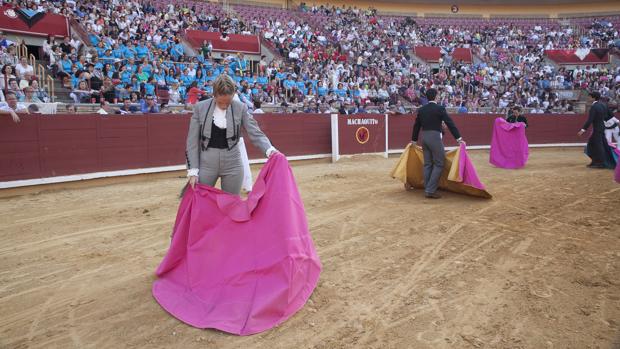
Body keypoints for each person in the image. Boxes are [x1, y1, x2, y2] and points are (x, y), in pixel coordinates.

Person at [186, 74, 279, 195]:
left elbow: (255, 132)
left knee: (232, 205)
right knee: (202, 206)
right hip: (207, 163)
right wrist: (193, 170)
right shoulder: (200, 107)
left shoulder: (240, 108)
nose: (224, 106)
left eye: (228, 102)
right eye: (220, 102)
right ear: (214, 95)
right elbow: (192, 141)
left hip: (233, 163)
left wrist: (270, 150)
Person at [411, 88, 464, 199]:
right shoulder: (440, 108)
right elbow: (450, 123)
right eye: (438, 95)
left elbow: (416, 126)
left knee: (428, 164)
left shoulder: (422, 109)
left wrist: (414, 140)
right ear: (435, 96)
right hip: (434, 137)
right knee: (439, 163)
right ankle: (430, 190)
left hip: (424, 137)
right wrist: (458, 138)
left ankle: (427, 187)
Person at [578, 91, 614, 168]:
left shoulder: (594, 107)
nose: (588, 98)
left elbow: (590, 120)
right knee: (594, 145)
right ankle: (595, 161)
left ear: (593, 98)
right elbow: (611, 115)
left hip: (597, 129)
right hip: (601, 128)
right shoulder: (603, 104)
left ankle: (600, 163)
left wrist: (583, 130)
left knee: (597, 146)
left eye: (589, 96)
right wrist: (603, 120)